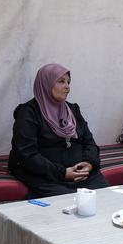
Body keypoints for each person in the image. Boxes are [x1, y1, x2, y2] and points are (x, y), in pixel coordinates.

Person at [9, 63, 110, 198]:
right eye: (61, 81)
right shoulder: (28, 113)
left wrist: (89, 164)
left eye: (68, 82)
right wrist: (63, 173)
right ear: (46, 83)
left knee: (105, 196)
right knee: (66, 202)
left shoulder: (72, 110)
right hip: (46, 176)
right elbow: (27, 154)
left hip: (81, 176)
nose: (67, 87)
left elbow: (89, 142)